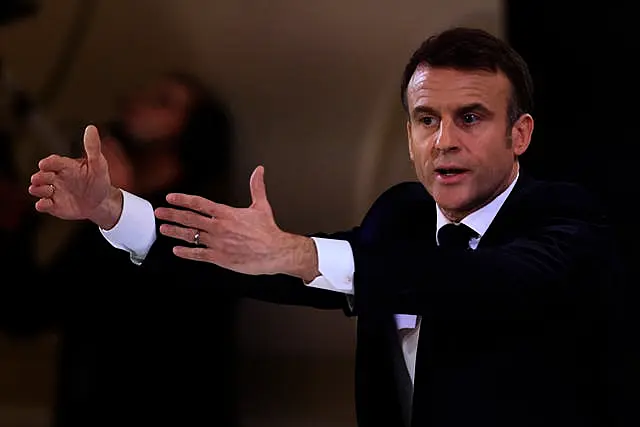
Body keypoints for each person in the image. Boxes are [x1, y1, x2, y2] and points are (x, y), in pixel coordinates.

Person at [28, 28, 631, 427]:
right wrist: (113, 212)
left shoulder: (569, 216)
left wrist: (299, 255)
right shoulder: (399, 215)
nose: (445, 140)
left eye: (470, 117)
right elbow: (290, 271)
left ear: (519, 134)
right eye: (426, 120)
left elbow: (480, 283)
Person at [25, 72, 240, 427]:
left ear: (193, 134)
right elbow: (32, 310)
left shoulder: (201, 227)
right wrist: (21, 221)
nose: (135, 101)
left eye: (163, 102)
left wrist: (116, 214)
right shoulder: (103, 216)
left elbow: (155, 329)